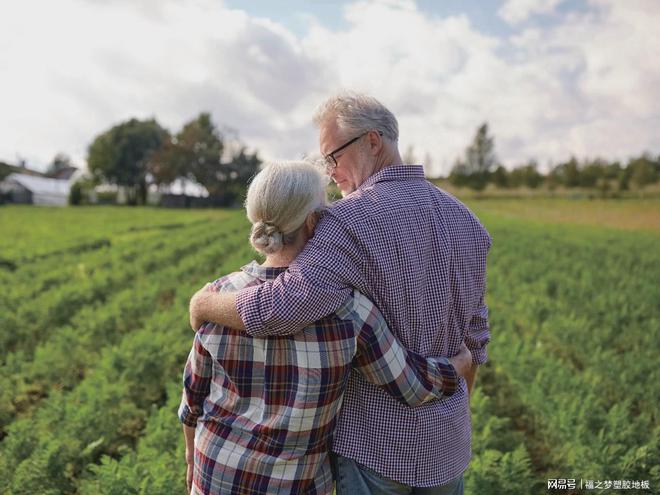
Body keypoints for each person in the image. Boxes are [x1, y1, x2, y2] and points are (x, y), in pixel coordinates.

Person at [189, 93, 492, 494]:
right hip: (449, 447)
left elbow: (284, 304)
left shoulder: (344, 221)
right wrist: (457, 389)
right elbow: (475, 338)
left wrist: (203, 303)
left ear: (372, 141)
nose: (330, 172)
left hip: (375, 449)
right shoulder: (467, 221)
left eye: (333, 156)